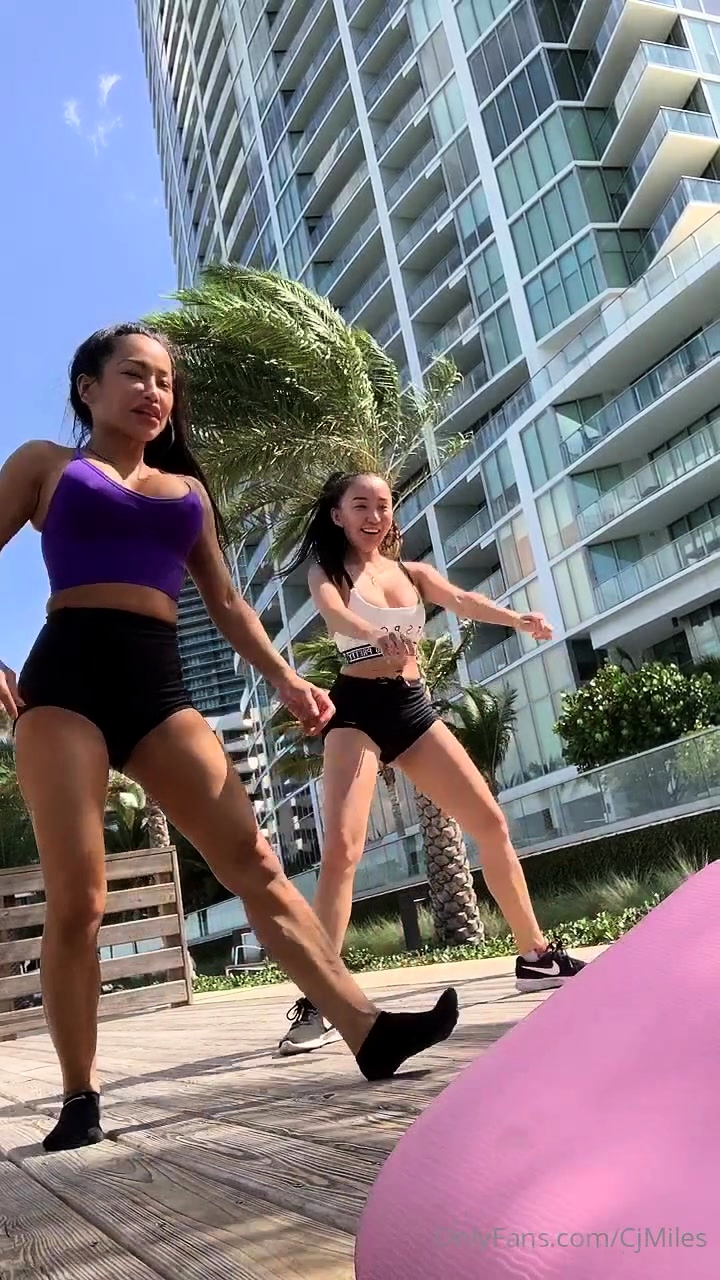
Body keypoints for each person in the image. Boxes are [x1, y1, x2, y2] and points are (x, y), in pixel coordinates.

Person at [0, 324, 460, 1152]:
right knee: (80, 898)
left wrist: (285, 677)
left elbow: (226, 602)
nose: (154, 392)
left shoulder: (186, 494)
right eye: (134, 375)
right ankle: (79, 1096)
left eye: (165, 381)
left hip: (157, 690)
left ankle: (368, 1031)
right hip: (63, 686)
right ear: (87, 389)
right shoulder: (46, 466)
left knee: (255, 861)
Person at [277, 470, 586, 1055]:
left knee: (490, 825)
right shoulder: (329, 572)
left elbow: (462, 599)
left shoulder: (413, 573)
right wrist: (376, 634)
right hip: (357, 711)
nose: (374, 516)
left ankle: (536, 957)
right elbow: (336, 617)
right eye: (360, 505)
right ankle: (320, 1000)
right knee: (342, 851)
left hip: (412, 707)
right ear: (338, 515)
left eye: (383, 505)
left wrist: (517, 619)